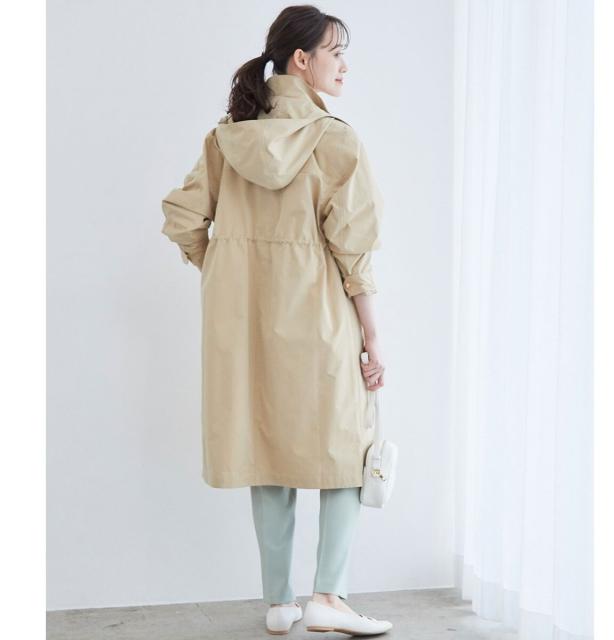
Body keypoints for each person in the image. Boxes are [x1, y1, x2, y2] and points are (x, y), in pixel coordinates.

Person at [161, 4, 391, 636]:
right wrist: (373, 337)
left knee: (265, 445)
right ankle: (329, 598)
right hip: (321, 319)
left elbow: (182, 219)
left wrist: (224, 270)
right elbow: (354, 251)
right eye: (336, 52)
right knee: (345, 451)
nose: (344, 65)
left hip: (243, 326)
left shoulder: (226, 139)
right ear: (301, 59)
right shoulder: (336, 139)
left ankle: (279, 603)